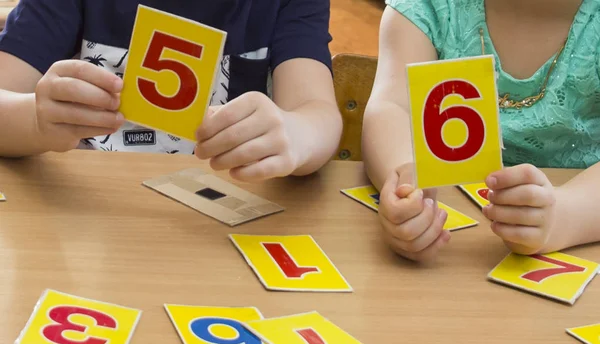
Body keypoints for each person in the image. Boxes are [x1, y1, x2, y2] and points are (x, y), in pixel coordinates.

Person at [0, 0, 342, 182]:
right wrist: (34, 120)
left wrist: (296, 135)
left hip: (221, 226)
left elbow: (318, 114)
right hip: (84, 214)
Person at [363, 0, 600, 261]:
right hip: (450, 254)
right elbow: (391, 107)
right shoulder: (430, 8)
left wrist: (564, 216)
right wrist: (405, 179)